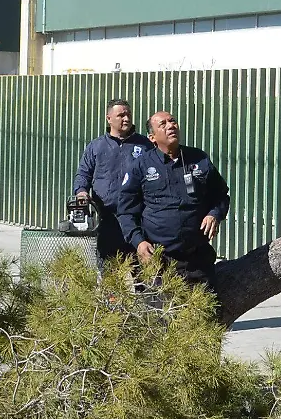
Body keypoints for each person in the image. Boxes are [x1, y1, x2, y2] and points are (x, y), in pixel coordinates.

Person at [115, 111, 229, 287]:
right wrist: (139, 242)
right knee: (160, 313)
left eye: (173, 121)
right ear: (152, 137)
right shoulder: (141, 165)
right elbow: (125, 211)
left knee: (204, 313)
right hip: (158, 260)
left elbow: (221, 195)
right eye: (163, 124)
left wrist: (215, 214)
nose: (171, 126)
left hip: (197, 261)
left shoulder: (199, 158)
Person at [72, 99, 150, 263]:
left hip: (137, 220)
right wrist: (81, 192)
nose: (126, 119)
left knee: (141, 276)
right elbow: (83, 174)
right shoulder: (96, 146)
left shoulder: (145, 145)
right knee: (108, 275)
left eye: (128, 114)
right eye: (121, 115)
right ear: (109, 118)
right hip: (107, 219)